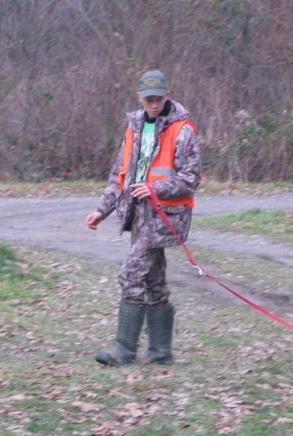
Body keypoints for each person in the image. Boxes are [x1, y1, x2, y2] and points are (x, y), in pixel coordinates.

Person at [85, 69, 201, 366]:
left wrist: (154, 188)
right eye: (148, 99)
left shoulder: (182, 129)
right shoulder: (133, 128)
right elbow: (118, 175)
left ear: (167, 95)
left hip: (165, 216)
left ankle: (124, 349)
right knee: (153, 280)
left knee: (131, 274)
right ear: (139, 97)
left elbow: (191, 177)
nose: (153, 104)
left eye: (158, 98)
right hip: (137, 215)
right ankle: (161, 352)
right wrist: (102, 210)